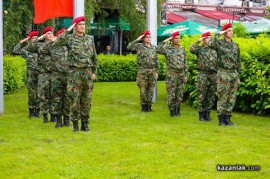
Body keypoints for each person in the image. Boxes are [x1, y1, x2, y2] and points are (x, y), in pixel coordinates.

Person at [54, 16, 98, 132]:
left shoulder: (89, 39)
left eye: (83, 24)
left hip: (87, 73)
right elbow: (57, 42)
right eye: (79, 24)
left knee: (86, 100)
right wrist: (69, 29)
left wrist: (94, 72)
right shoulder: (70, 39)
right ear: (75, 26)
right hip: (75, 73)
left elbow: (94, 57)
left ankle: (85, 124)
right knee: (74, 99)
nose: (82, 26)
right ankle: (75, 124)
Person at [208, 23, 241, 126]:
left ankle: (228, 118)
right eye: (229, 31)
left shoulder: (235, 45)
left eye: (232, 30)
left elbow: (238, 61)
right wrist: (219, 33)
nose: (231, 32)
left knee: (232, 97)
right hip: (223, 73)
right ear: (224, 32)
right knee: (223, 96)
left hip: (233, 74)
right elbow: (210, 43)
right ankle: (221, 119)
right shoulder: (219, 44)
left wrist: (238, 75)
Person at [42, 28, 70, 128]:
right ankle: (58, 121)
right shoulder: (51, 46)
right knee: (57, 99)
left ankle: (67, 120)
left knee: (67, 98)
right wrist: (50, 67)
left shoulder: (69, 46)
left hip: (67, 76)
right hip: (56, 76)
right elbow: (41, 52)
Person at [157, 31, 188, 117]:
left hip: (181, 74)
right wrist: (166, 40)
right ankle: (172, 111)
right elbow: (158, 49)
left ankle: (178, 110)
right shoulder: (167, 48)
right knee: (171, 94)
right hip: (172, 74)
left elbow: (185, 62)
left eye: (178, 38)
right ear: (172, 39)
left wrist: (186, 74)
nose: (177, 40)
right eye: (175, 38)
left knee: (179, 94)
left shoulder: (182, 49)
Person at [127, 30, 159, 112]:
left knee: (151, 89)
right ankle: (144, 106)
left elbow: (156, 61)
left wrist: (156, 72)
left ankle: (149, 105)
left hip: (152, 71)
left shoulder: (154, 48)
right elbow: (129, 47)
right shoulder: (139, 46)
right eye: (146, 37)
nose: (148, 38)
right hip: (142, 71)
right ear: (143, 38)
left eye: (149, 37)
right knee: (143, 89)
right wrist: (137, 39)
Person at [28, 26, 54, 123]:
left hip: (54, 73)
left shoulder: (56, 44)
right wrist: (39, 38)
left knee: (54, 95)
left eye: (51, 33)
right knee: (43, 94)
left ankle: (53, 115)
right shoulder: (39, 45)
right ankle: (45, 115)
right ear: (44, 35)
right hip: (43, 73)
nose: (50, 35)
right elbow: (29, 48)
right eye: (48, 33)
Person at [190, 31, 218, 122]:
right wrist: (199, 41)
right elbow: (191, 49)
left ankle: (207, 114)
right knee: (202, 95)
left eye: (210, 38)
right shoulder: (199, 49)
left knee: (211, 95)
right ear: (203, 39)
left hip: (213, 74)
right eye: (207, 38)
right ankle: (201, 115)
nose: (209, 39)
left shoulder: (214, 49)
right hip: (203, 74)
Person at [13, 31, 40, 118]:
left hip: (40, 73)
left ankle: (37, 111)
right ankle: (31, 111)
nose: (34, 40)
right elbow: (15, 50)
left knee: (39, 92)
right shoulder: (26, 50)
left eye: (36, 38)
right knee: (31, 93)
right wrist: (21, 42)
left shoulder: (41, 49)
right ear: (29, 40)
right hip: (31, 74)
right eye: (32, 39)